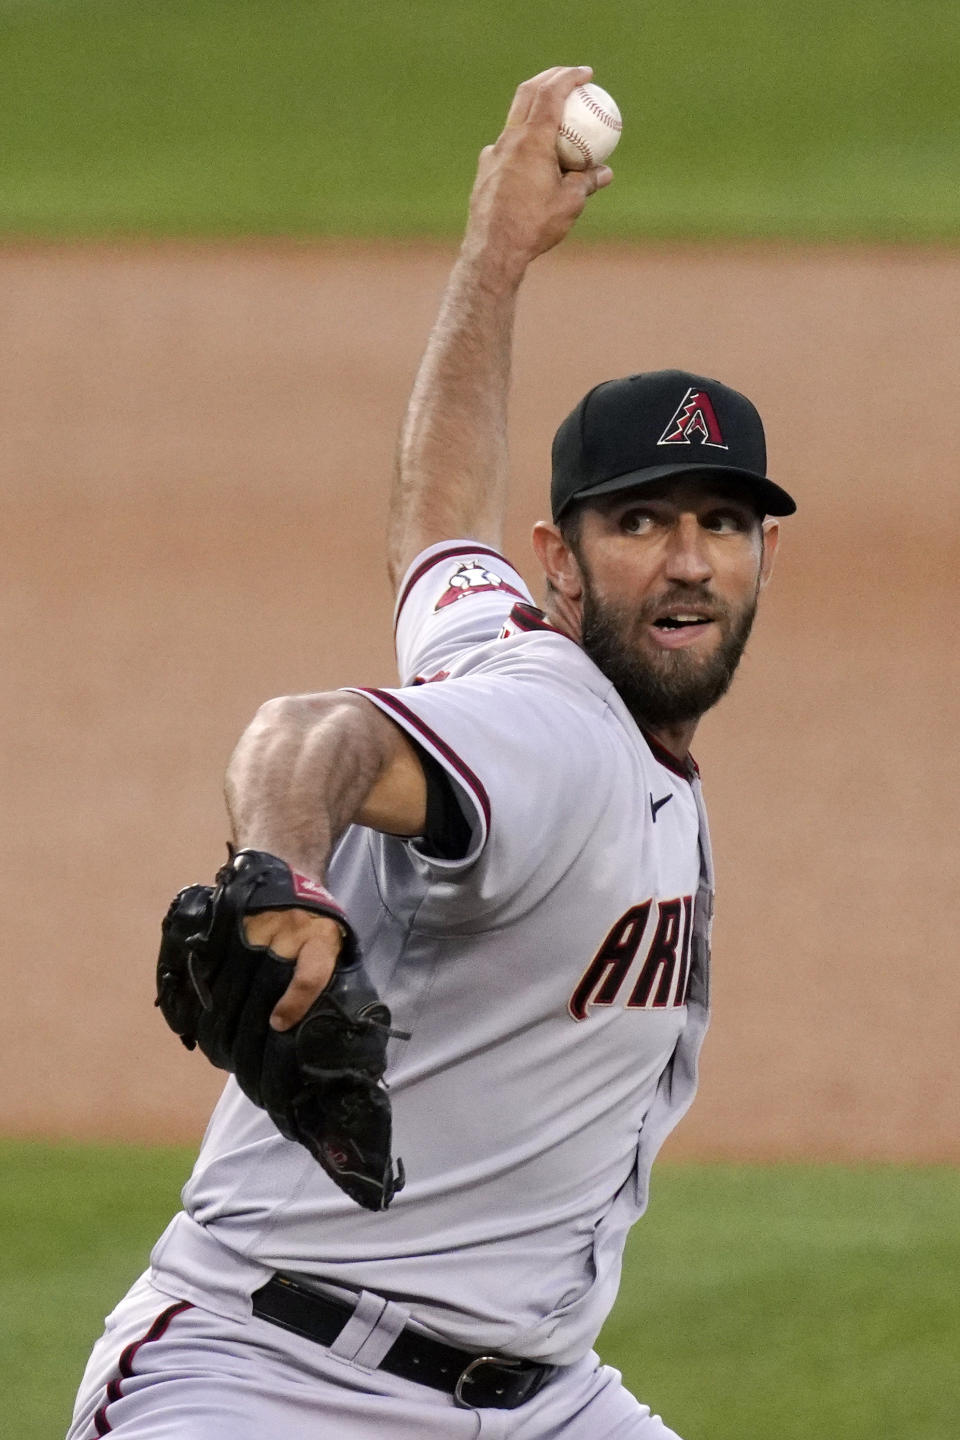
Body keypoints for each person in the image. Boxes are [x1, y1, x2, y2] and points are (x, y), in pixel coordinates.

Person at [67, 66, 794, 1440]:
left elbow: (435, 520)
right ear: (563, 566)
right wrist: (278, 865)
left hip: (545, 1404)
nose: (689, 563)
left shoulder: (508, 655)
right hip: (270, 1383)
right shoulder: (549, 734)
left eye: (724, 523)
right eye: (641, 526)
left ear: (769, 555)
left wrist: (495, 256)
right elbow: (316, 731)